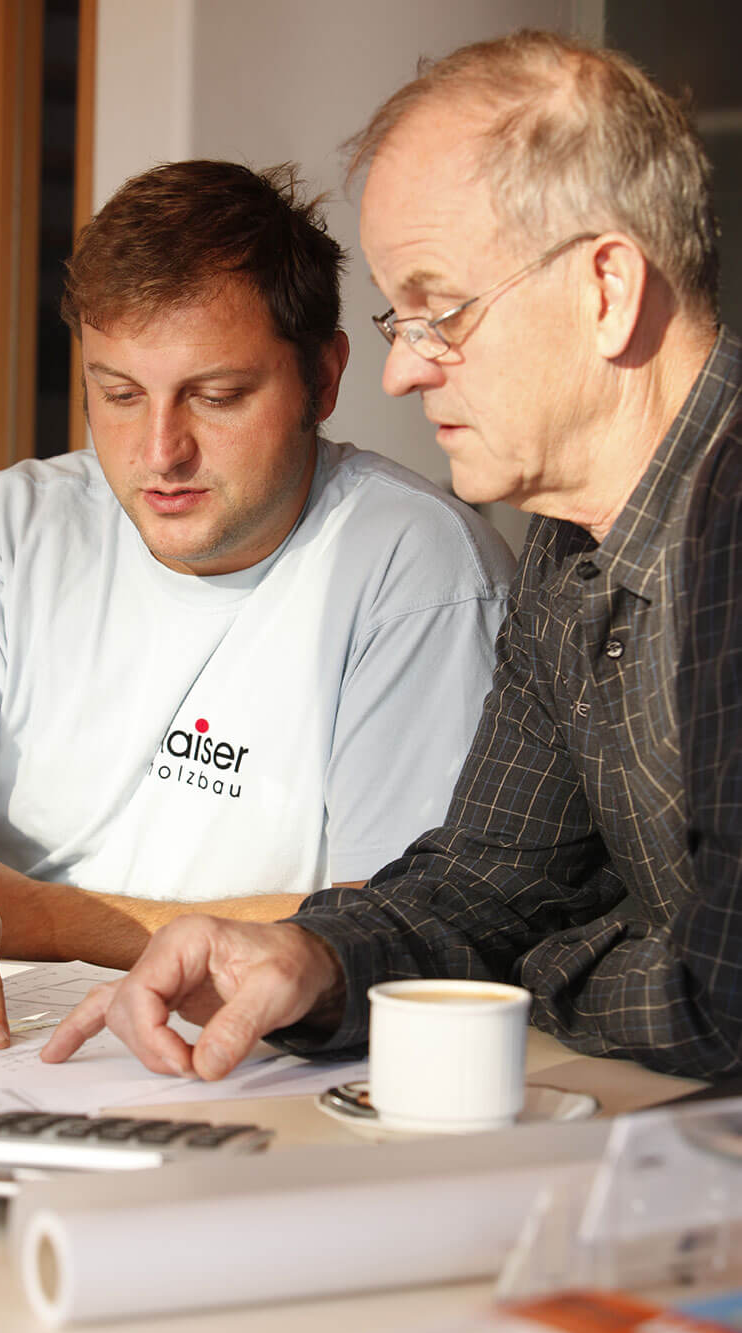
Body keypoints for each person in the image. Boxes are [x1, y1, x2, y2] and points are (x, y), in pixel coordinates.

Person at [43, 30, 742, 1084]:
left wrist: (537, 974)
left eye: (440, 312)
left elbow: (720, 991)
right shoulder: (567, 543)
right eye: (398, 316)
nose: (405, 370)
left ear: (607, 290)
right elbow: (490, 884)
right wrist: (311, 955)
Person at [0, 160, 513, 1049]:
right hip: (17, 1041)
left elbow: (388, 926)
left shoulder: (417, 564)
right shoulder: (13, 526)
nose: (159, 451)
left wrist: (41, 917)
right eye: (118, 395)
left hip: (271, 1052)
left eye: (216, 395)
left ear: (322, 377)